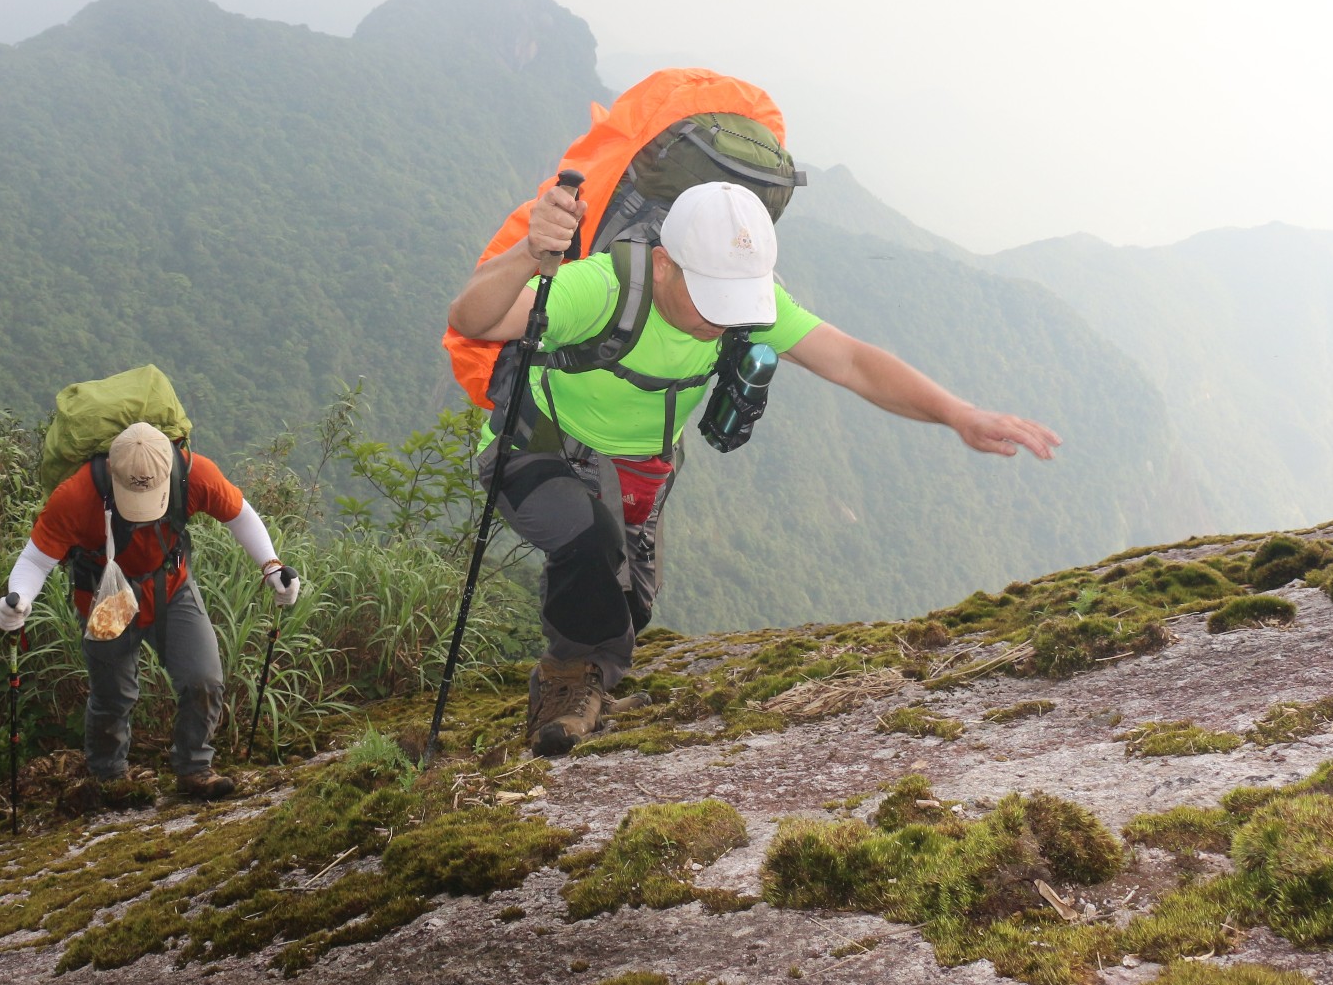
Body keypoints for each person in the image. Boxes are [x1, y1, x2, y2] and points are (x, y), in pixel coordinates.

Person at [448, 179, 1060, 756]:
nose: (724, 319)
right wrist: (530, 254)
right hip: (535, 445)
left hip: (637, 467)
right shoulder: (603, 289)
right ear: (664, 263)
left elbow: (851, 361)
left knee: (627, 605)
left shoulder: (749, 306)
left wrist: (959, 414)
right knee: (588, 545)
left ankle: (593, 667)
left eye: (734, 299)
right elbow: (473, 319)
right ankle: (563, 686)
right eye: (710, 296)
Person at [0, 421, 300, 807]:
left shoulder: (193, 474)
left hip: (171, 585)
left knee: (203, 679)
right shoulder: (76, 495)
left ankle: (194, 769)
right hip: (104, 598)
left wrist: (272, 566)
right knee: (114, 694)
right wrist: (17, 600)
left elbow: (239, 514)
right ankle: (109, 779)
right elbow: (36, 560)